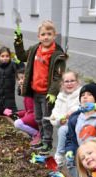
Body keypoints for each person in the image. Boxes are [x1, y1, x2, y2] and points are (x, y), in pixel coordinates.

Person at [14, 20, 68, 156]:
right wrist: (18, 42)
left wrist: (53, 92)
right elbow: (21, 56)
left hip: (47, 93)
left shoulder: (57, 54)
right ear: (38, 36)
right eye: (43, 34)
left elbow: (58, 76)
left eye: (49, 34)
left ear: (54, 35)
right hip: (35, 91)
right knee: (38, 118)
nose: (46, 37)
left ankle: (48, 142)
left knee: (46, 118)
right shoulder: (34, 49)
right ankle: (42, 138)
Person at [62, 83, 96, 177]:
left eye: (89, 94)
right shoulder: (74, 118)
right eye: (82, 95)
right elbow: (70, 138)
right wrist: (70, 150)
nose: (85, 97)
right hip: (82, 156)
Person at [50, 71, 82, 166]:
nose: (69, 84)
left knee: (63, 130)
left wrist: (71, 112)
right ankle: (62, 158)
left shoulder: (81, 94)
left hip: (78, 126)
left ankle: (59, 156)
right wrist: (60, 119)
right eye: (66, 81)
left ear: (77, 82)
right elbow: (53, 116)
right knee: (62, 129)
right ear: (62, 84)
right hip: (64, 126)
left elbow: (83, 106)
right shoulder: (60, 97)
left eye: (72, 81)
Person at [8, 67, 39, 141]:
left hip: (35, 117)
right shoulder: (25, 94)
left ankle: (37, 134)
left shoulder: (31, 92)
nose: (20, 81)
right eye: (19, 79)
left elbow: (33, 112)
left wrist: (23, 117)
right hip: (31, 116)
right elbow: (28, 110)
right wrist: (17, 113)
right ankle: (32, 135)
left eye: (23, 78)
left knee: (17, 123)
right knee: (16, 119)